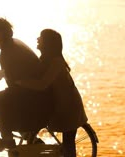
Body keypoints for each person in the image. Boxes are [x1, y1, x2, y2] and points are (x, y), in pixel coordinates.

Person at [16, 29, 88, 157]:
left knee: (68, 144)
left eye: (41, 37)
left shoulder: (56, 63)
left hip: (69, 107)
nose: (37, 39)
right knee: (30, 128)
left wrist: (20, 82)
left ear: (48, 43)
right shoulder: (46, 60)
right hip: (59, 105)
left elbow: (42, 84)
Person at [0, 18, 49, 151]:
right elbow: (15, 71)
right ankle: (31, 142)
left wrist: (1, 75)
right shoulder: (14, 44)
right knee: (6, 101)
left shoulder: (7, 52)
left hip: (33, 97)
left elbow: (15, 79)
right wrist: (0, 75)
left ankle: (7, 140)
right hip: (37, 96)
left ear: (0, 34)